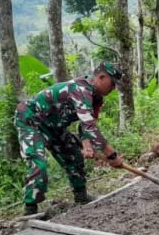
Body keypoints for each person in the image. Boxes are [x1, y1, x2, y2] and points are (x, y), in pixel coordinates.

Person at [14, 61, 124, 215]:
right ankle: (30, 210)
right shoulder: (80, 89)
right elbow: (90, 127)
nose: (113, 88)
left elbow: (86, 125)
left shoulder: (96, 99)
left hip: (55, 126)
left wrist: (87, 145)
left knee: (74, 155)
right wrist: (111, 155)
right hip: (31, 120)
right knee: (38, 165)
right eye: (112, 84)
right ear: (101, 77)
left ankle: (81, 196)